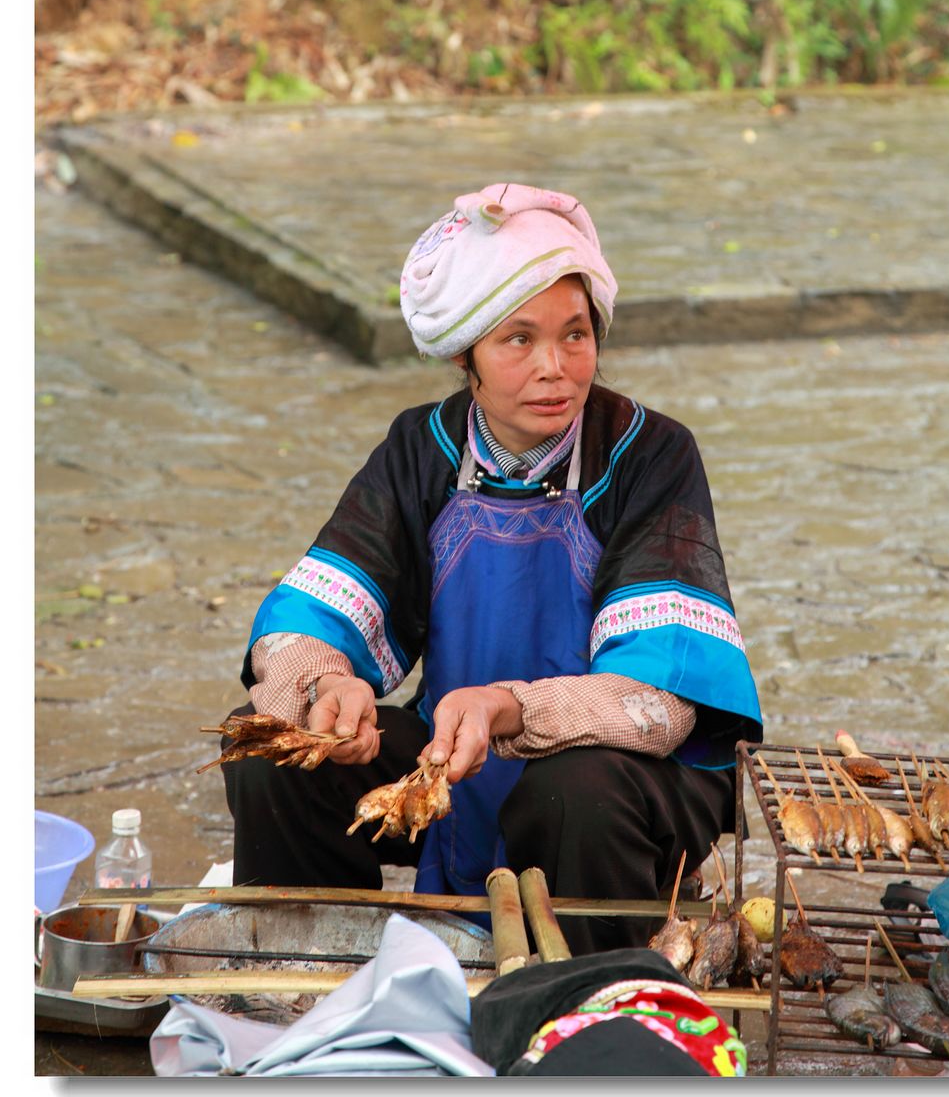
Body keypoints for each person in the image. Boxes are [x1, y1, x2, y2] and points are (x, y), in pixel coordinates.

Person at [221, 183, 763, 954]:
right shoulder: (423, 448)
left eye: (575, 335)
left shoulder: (649, 454)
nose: (555, 368)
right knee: (272, 749)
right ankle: (311, 973)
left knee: (574, 787)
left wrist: (509, 706)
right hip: (460, 751)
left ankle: (598, 995)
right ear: (464, 352)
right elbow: (320, 605)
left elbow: (660, 694)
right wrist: (327, 689)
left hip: (626, 776)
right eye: (518, 340)